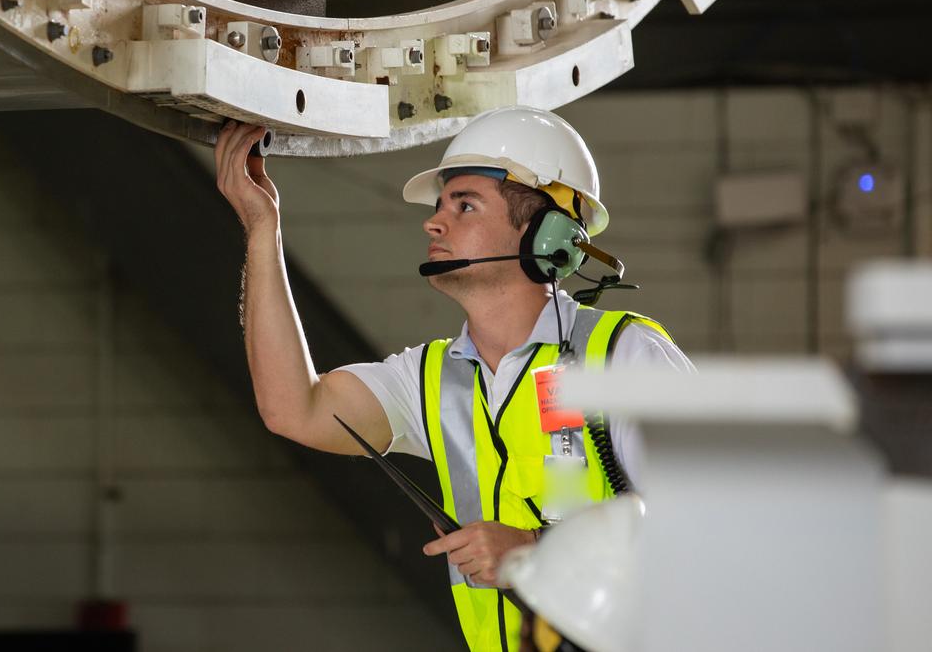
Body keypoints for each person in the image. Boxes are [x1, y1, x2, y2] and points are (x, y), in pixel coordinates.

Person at [213, 106, 693, 652]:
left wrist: (537, 550)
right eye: (441, 204)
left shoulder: (624, 357)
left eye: (464, 204)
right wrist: (261, 231)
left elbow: (719, 522)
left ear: (548, 235)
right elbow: (293, 409)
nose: (434, 222)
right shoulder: (432, 378)